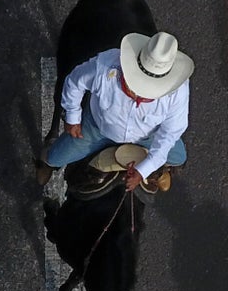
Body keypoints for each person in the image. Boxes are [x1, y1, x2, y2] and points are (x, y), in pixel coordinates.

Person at [39, 32, 193, 191]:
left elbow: (171, 132)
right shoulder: (105, 66)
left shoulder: (178, 89)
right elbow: (74, 82)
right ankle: (45, 163)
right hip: (97, 128)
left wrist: (144, 170)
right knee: (55, 157)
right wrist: (73, 117)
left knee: (179, 157)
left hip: (148, 135)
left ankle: (158, 167)